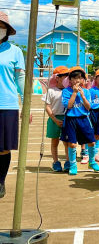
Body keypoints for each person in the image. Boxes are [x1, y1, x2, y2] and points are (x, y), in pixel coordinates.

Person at [0, 12, 25, 198]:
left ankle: (0, 181)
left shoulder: (15, 51)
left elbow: (20, 78)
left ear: (7, 30)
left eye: (1, 27)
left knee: (3, 148)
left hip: (7, 104)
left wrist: (26, 103)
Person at [61, 66, 99, 175]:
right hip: (71, 119)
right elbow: (68, 106)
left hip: (84, 119)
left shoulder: (87, 92)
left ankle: (92, 162)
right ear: (70, 80)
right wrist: (74, 93)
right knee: (72, 144)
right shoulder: (66, 91)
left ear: (84, 80)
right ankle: (73, 164)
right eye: (74, 78)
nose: (77, 81)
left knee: (91, 142)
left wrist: (83, 96)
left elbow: (89, 107)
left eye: (79, 78)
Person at [43, 66, 69, 172]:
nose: (67, 79)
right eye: (64, 76)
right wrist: (54, 119)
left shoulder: (70, 90)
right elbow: (47, 106)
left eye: (68, 76)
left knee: (67, 141)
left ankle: (68, 161)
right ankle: (55, 162)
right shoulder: (51, 91)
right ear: (57, 77)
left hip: (68, 118)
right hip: (54, 119)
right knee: (55, 141)